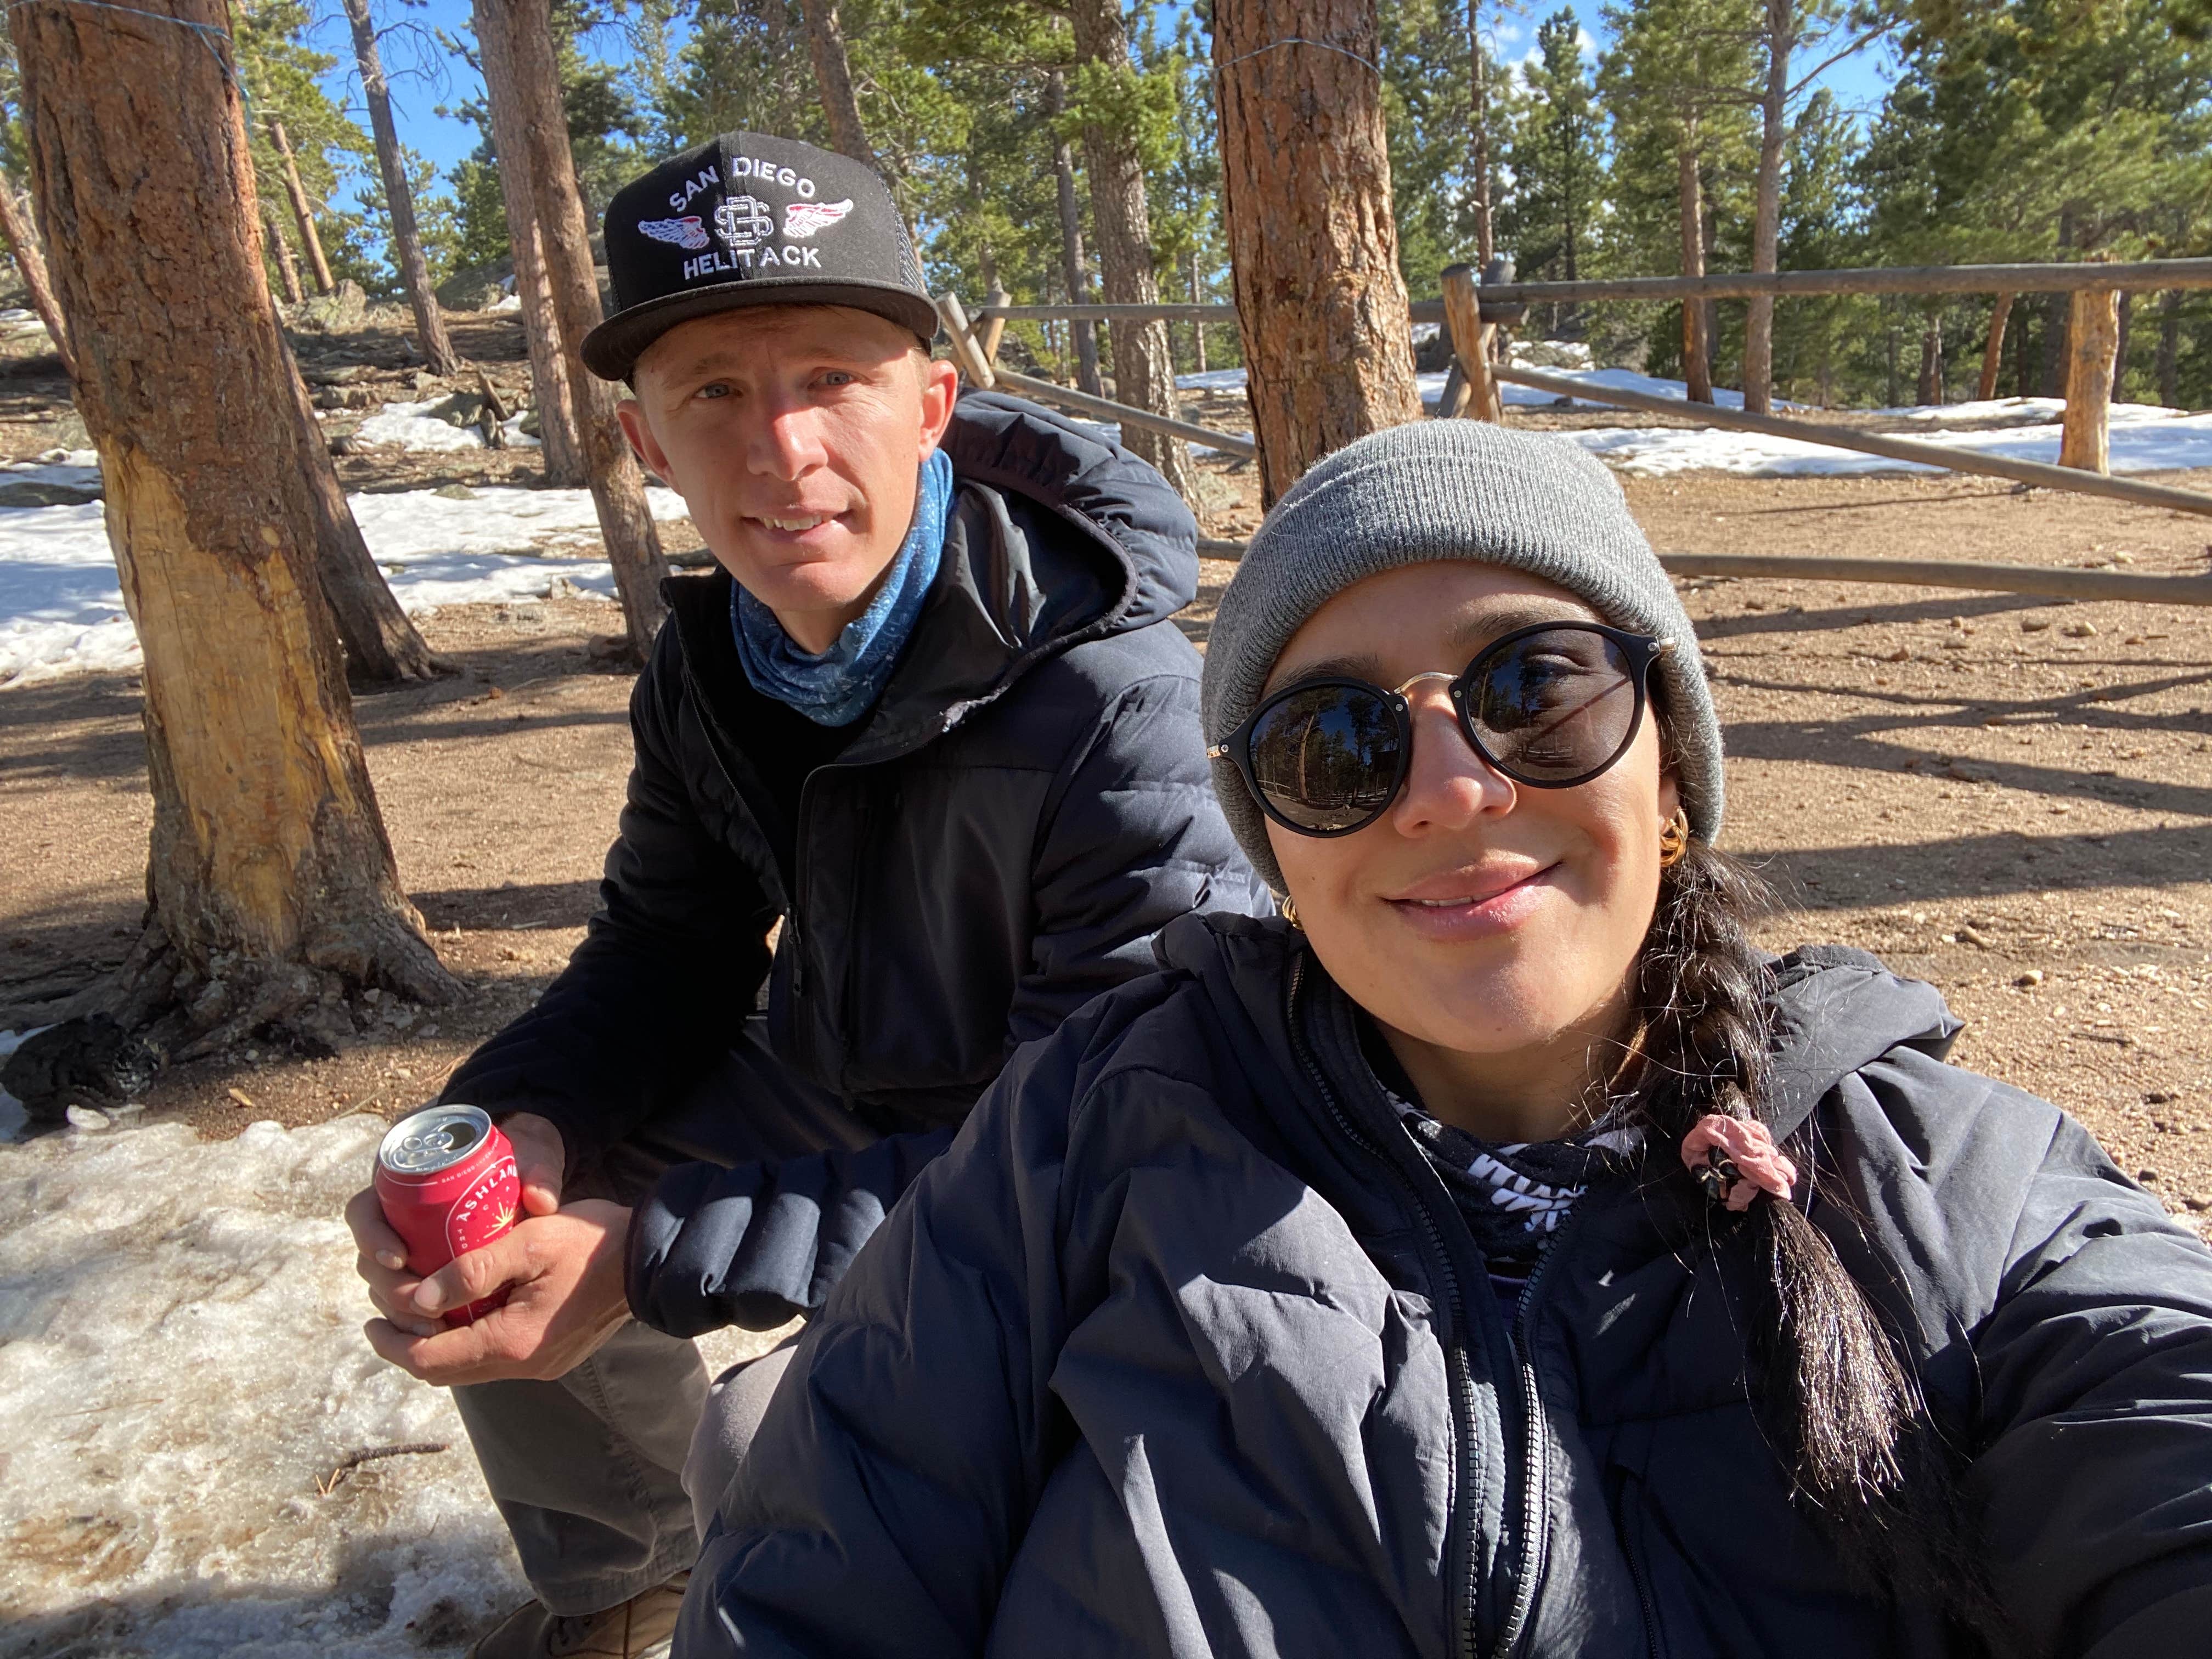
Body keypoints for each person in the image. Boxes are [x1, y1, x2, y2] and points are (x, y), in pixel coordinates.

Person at [679, 419, 2212, 1657]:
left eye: (1533, 688)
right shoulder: (1091, 1128)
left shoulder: (1967, 1200)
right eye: (1331, 743)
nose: (1444, 788)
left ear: (1670, 774)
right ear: (1280, 855)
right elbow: (819, 1577)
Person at [343, 132, 1267, 1659]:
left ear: (932, 406)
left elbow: (1117, 1141)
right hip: (836, 1070)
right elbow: (666, 942)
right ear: (645, 443)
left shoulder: (1113, 692)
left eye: (831, 376)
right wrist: (530, 1119)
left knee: (799, 1429)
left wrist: (648, 1253)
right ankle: (627, 1576)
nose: (779, 447)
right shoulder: (713, 660)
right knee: (507, 1219)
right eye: (715, 391)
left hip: (1080, 1149)